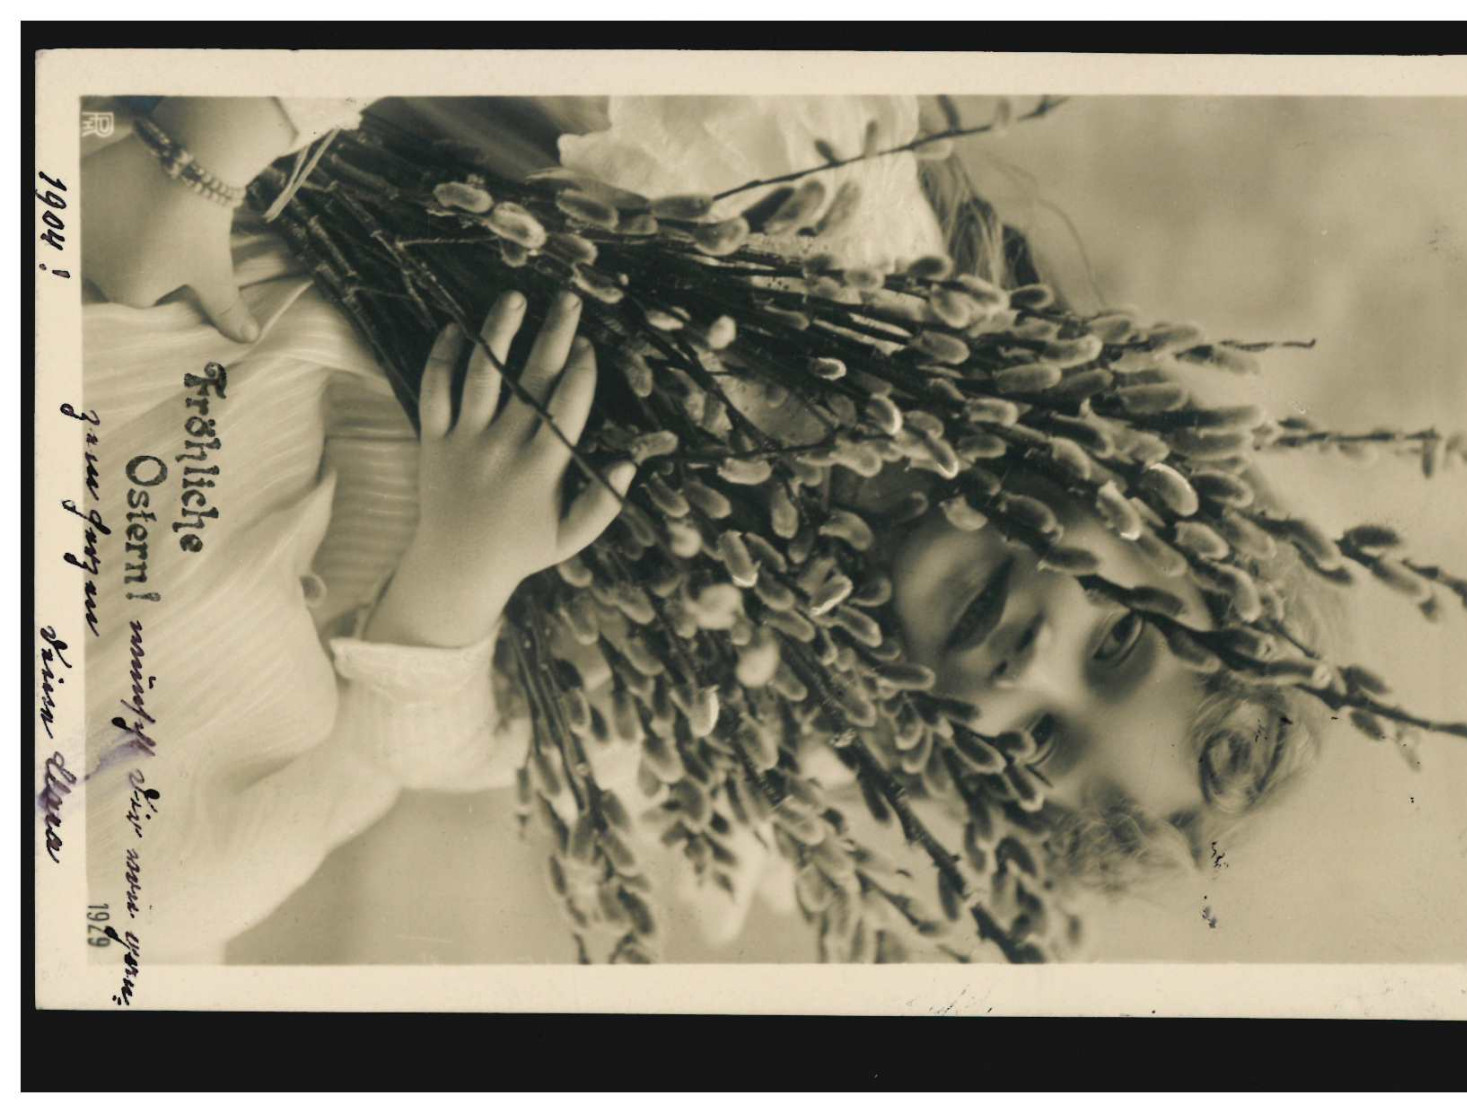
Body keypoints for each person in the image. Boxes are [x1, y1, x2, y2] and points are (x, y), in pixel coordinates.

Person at [78, 93, 958, 962]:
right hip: (285, 284)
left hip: (334, 556)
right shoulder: (882, 275)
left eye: (1041, 740)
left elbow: (429, 746)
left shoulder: (764, 708)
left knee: (160, 887)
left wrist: (459, 576)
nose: (1025, 668)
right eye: (1103, 651)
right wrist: (208, 151)